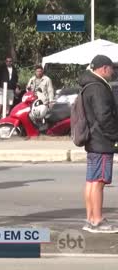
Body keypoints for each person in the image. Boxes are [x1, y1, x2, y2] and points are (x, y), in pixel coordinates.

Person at [79, 55, 118, 233]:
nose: (113, 71)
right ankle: (97, 220)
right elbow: (104, 116)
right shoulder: (99, 88)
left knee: (91, 180)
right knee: (99, 182)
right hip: (101, 140)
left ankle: (90, 218)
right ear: (104, 68)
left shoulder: (88, 85)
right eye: (112, 68)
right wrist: (115, 135)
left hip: (93, 139)